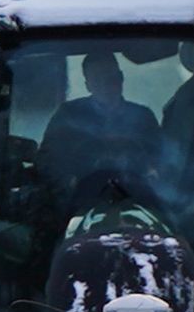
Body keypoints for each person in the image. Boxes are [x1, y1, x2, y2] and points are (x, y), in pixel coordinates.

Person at [39, 48, 163, 214]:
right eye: (98, 80)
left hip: (139, 204)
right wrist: (69, 181)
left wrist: (150, 173)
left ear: (121, 78)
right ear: (88, 85)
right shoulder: (68, 115)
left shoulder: (143, 118)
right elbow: (47, 161)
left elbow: (163, 163)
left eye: (111, 78)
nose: (106, 85)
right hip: (78, 207)